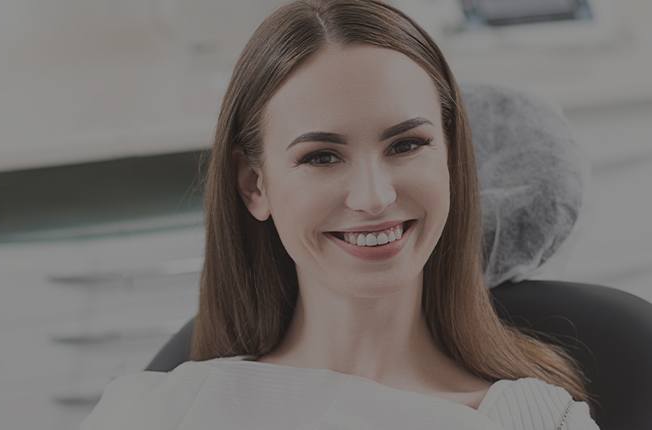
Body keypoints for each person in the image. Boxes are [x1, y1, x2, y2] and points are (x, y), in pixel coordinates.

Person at [79, 1, 600, 429]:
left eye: (407, 145)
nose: (373, 197)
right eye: (322, 157)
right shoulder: (161, 412)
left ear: (453, 163)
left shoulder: (535, 421)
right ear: (253, 185)